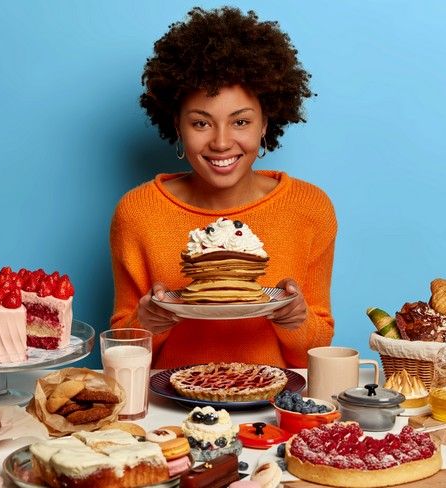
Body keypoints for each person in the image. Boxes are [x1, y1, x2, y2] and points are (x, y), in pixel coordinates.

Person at [109, 6, 337, 369]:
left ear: (265, 123)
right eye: (201, 123)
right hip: (167, 410)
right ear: (177, 126)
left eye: (241, 121)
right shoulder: (137, 213)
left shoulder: (308, 207)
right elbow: (122, 349)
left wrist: (295, 319)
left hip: (272, 408)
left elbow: (315, 350)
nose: (221, 142)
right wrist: (146, 324)